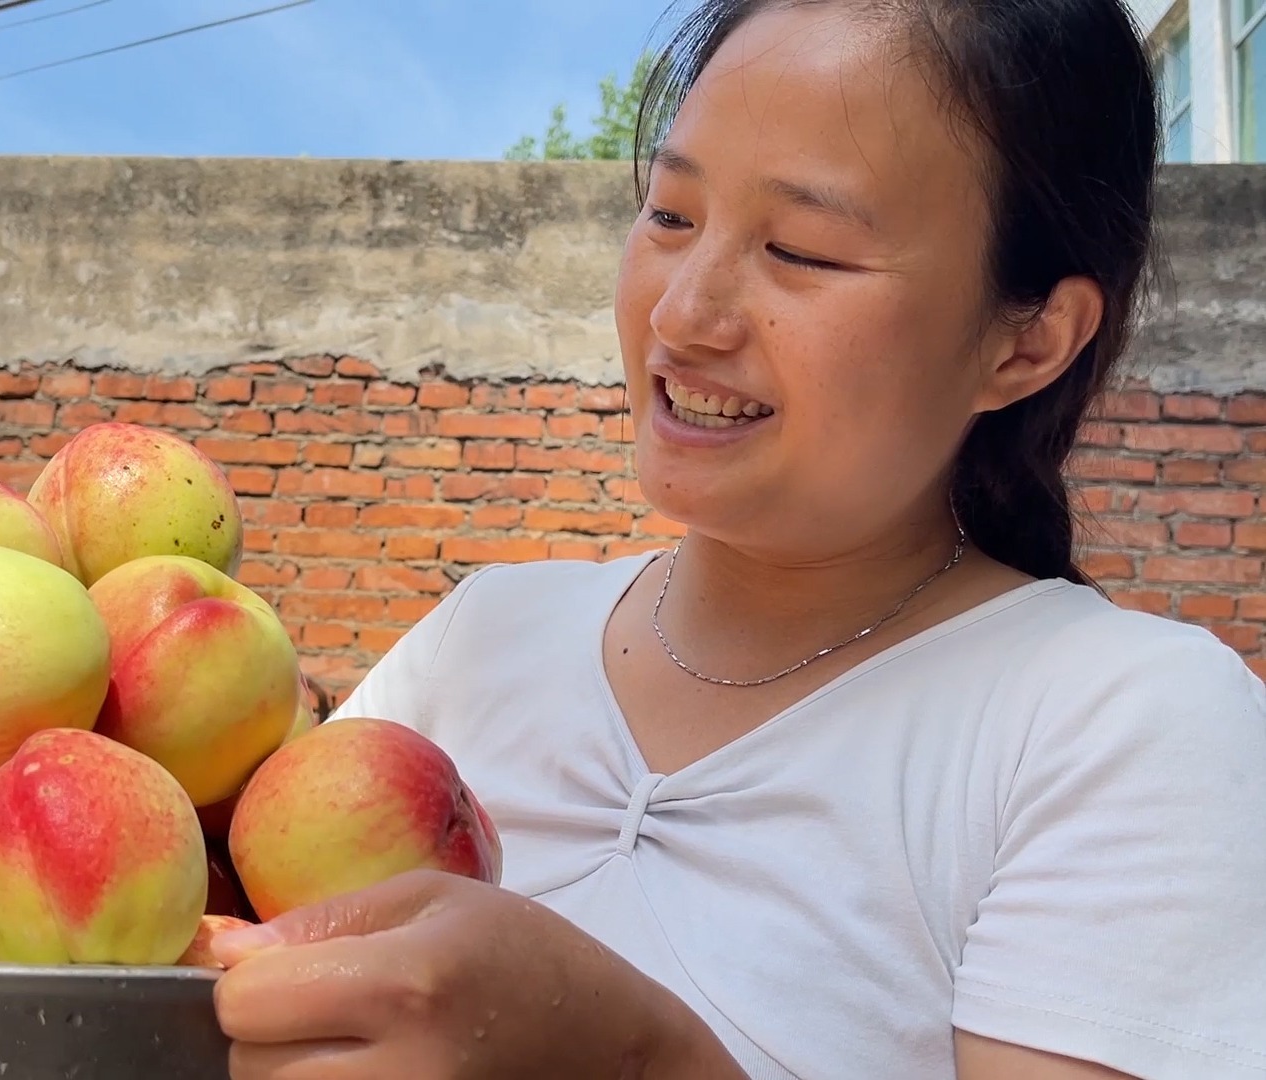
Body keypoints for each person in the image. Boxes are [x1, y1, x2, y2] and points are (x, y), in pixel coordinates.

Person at [208, 0, 1266, 1076]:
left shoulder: (1122, 723)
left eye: (802, 250)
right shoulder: (480, 638)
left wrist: (636, 1055)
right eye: (670, 215)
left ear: (1028, 340)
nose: (683, 315)